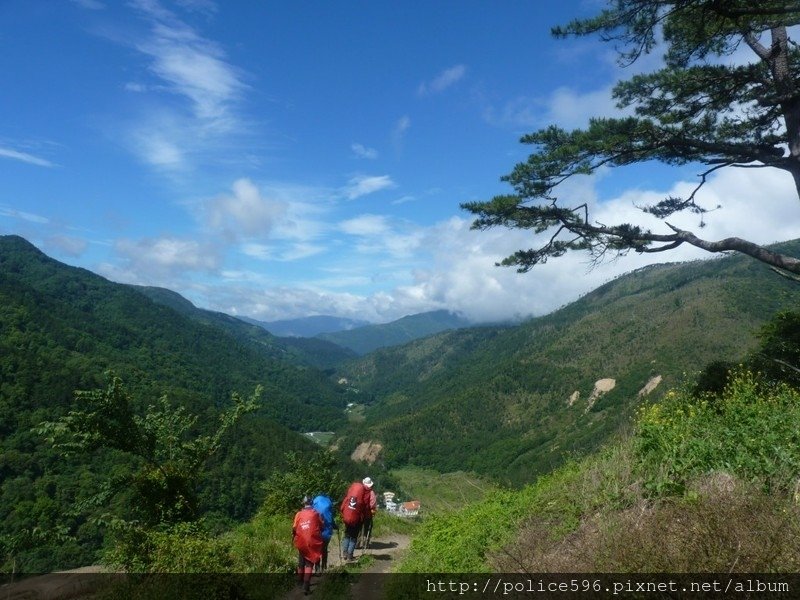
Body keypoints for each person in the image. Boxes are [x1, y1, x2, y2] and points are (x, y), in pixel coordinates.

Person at [292, 495, 324, 595]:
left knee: (301, 562)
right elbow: (321, 525)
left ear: (303, 503)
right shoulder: (316, 513)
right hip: (311, 542)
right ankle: (306, 586)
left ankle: (299, 582)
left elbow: (294, 528)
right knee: (309, 563)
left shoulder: (298, 514)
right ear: (312, 503)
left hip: (301, 542)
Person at [340, 479, 368, 561]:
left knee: (347, 535)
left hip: (347, 517)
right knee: (353, 537)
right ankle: (350, 555)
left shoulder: (350, 495)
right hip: (356, 520)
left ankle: (344, 553)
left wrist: (343, 514)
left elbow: (342, 507)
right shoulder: (363, 496)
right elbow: (364, 509)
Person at [311, 493, 337, 572]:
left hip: (317, 531)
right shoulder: (328, 503)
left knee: (317, 549)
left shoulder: (315, 502)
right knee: (324, 549)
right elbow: (331, 518)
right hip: (327, 530)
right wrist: (335, 526)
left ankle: (317, 568)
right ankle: (324, 566)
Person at [360, 477, 377, 549]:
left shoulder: (360, 491)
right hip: (367, 514)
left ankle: (357, 543)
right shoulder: (371, 492)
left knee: (359, 528)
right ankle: (365, 544)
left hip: (359, 513)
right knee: (367, 528)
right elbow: (372, 504)